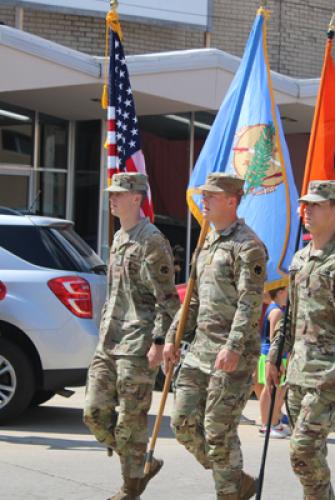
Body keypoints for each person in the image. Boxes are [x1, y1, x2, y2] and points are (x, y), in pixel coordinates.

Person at [266, 180, 335, 500]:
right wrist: (275, 355)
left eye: (315, 205)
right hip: (298, 372)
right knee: (310, 455)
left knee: (302, 452)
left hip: (328, 374)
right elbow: (290, 317)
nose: (306, 211)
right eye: (305, 205)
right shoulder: (301, 259)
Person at [161, 173, 268, 500]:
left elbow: (250, 304)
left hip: (231, 355)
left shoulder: (248, 246)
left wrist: (234, 346)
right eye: (203, 195)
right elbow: (192, 298)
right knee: (182, 423)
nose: (203, 201)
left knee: (219, 432)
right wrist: (171, 338)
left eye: (212, 196)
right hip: (199, 351)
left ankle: (228, 492)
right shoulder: (206, 242)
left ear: (232, 201)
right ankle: (236, 481)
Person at [83, 172, 180, 500]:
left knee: (130, 421)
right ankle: (139, 460)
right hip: (109, 340)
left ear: (136, 198)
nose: (112, 198)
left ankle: (129, 488)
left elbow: (168, 299)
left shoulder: (151, 240)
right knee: (93, 413)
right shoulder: (120, 237)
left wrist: (158, 341)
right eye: (111, 193)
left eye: (119, 193)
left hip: (137, 344)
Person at [258, 287, 290, 438]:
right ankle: (269, 424)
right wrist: (278, 360)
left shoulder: (274, 308)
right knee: (273, 390)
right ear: (280, 292)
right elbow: (274, 338)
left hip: (270, 354)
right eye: (287, 291)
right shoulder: (277, 311)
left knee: (273, 390)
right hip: (272, 355)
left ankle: (271, 423)